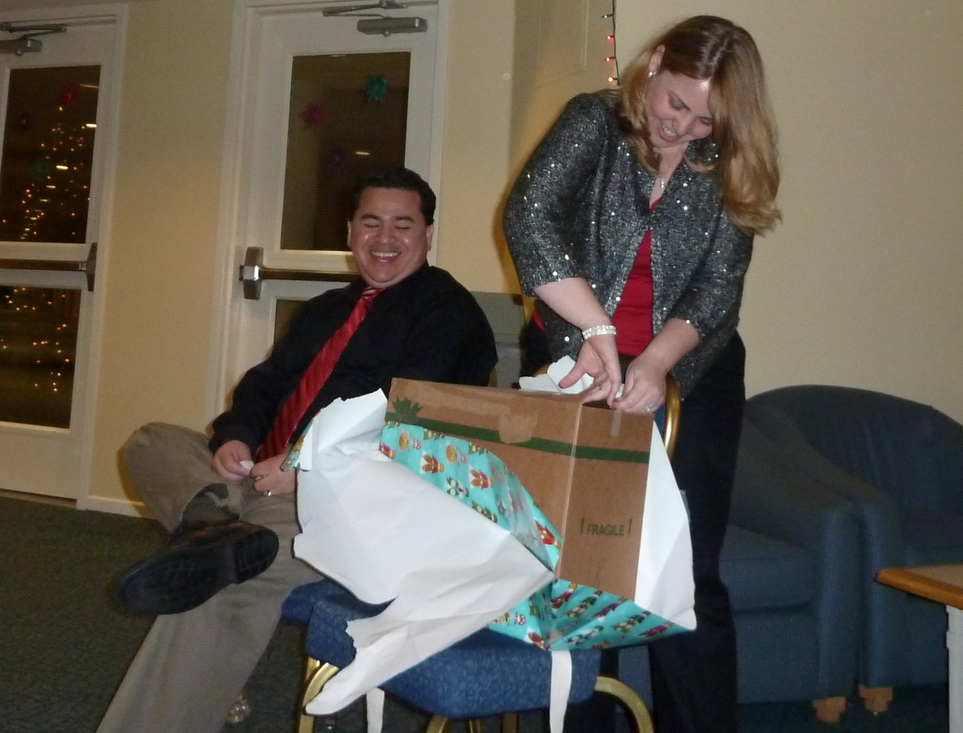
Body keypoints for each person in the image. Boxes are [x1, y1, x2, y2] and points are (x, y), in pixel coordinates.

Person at [97, 167, 498, 733]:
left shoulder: (448, 314)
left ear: (427, 234)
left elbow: (408, 422)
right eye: (371, 222)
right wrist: (235, 437)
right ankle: (211, 520)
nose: (384, 238)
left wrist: (305, 466)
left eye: (403, 225)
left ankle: (221, 550)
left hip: (346, 499)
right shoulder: (327, 308)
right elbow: (265, 386)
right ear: (350, 231)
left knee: (221, 584)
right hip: (254, 476)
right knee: (152, 441)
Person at [503, 15, 780, 733]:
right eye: (675, 103)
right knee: (582, 569)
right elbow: (529, 218)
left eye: (704, 120)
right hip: (575, 363)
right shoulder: (592, 122)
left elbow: (717, 289)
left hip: (694, 374)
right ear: (654, 62)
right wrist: (595, 334)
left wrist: (657, 361)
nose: (681, 128)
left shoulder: (725, 156)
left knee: (685, 570)